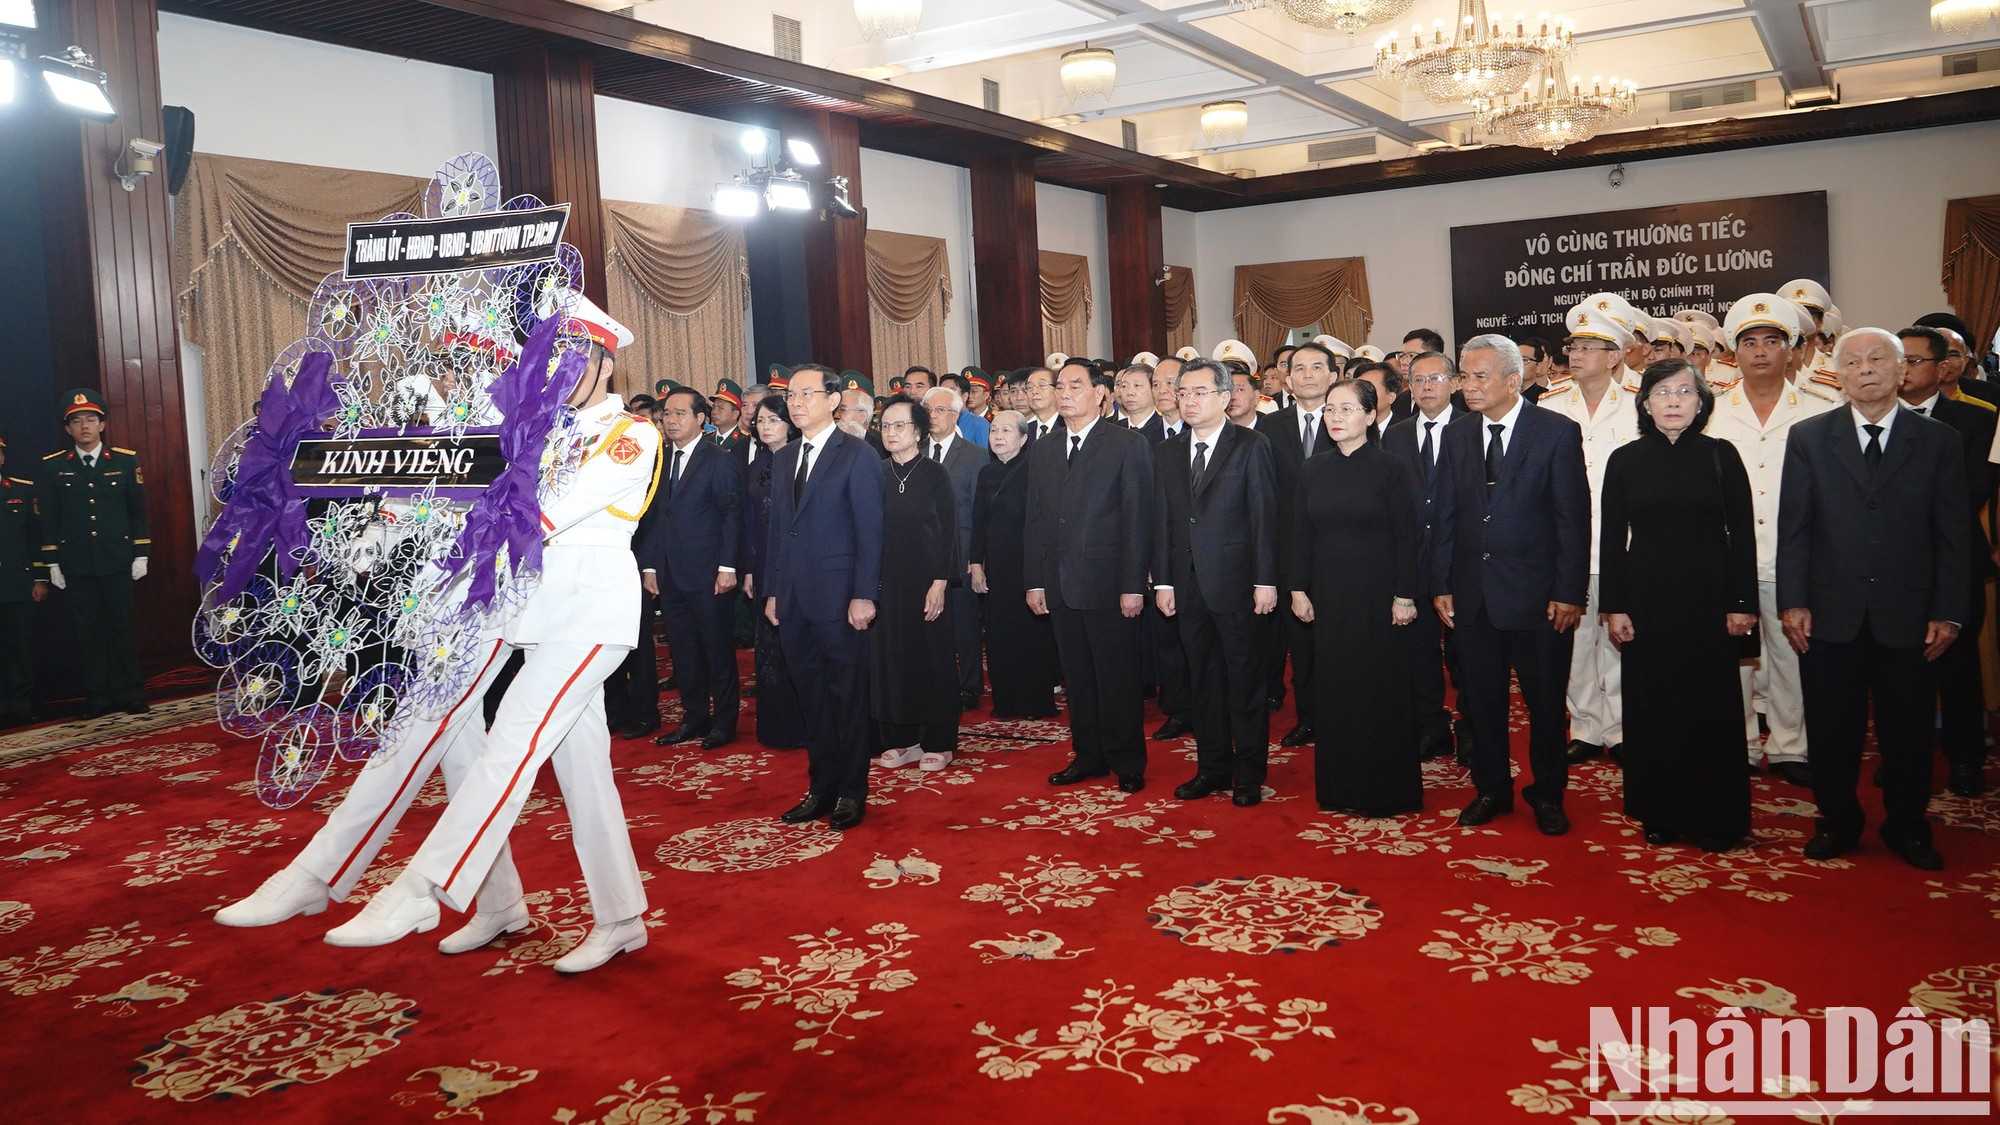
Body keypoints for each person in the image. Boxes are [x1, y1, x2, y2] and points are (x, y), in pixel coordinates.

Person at [317, 293, 659, 973]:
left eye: (570, 360)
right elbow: (486, 490)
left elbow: (536, 513)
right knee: (583, 771)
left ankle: (426, 884)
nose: (555, 373)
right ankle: (596, 914)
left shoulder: (631, 434)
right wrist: (410, 491)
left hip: (590, 616)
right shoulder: (545, 432)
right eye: (548, 359)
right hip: (538, 617)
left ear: (602, 362)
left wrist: (443, 492)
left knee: (513, 739)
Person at [1779, 328, 1969, 872]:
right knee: (1832, 729)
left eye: (1877, 359)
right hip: (1828, 612)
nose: (1865, 369)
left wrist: (1949, 610)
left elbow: (1953, 537)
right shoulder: (1810, 437)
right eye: (1853, 361)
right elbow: (1795, 529)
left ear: (1901, 371)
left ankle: (1908, 827)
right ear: (1838, 376)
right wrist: (1792, 601)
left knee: (1907, 733)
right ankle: (1836, 821)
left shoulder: (1938, 441)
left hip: (1910, 616)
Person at [1432, 334, 1590, 834]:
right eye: (1465, 376)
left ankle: (1547, 794)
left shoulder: (1555, 432)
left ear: (1512, 379)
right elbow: (1447, 514)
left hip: (1539, 597)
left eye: (1481, 377)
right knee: (1482, 700)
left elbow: (1573, 519)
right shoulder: (1457, 435)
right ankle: (1492, 789)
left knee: (1545, 703)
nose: (1469, 386)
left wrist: (1569, 591)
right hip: (1473, 594)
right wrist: (1441, 582)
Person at [1598, 360, 1758, 852]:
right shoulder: (1624, 460)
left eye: (1684, 392)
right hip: (1646, 599)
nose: (1672, 401)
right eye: (1662, 392)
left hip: (1710, 598)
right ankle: (1660, 810)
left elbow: (1743, 535)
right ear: (1645, 403)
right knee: (1654, 707)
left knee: (1711, 707)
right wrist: (1615, 605)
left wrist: (1742, 602)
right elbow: (1610, 539)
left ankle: (1718, 816)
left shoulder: (1721, 455)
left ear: (1701, 401)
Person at [1706, 294, 1841, 786]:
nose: (1759, 351)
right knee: (1733, 658)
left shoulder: (1822, 411)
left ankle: (1790, 747)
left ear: (1792, 350)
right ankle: (1737, 743)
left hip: (1797, 558)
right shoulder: (1712, 413)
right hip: (1729, 559)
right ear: (1733, 352)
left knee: (1791, 654)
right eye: (1748, 342)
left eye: (1771, 341)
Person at [764, 364, 886, 832]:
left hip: (840, 599)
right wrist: (774, 592)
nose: (796, 403)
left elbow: (870, 532)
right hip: (794, 599)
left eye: (806, 394)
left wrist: (863, 595)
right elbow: (779, 533)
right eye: (791, 395)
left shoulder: (856, 455)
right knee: (811, 696)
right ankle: (821, 787)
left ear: (833, 400)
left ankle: (853, 791)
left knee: (846, 696)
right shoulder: (784, 457)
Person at [1025, 359, 1156, 793]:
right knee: (1077, 678)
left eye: (1075, 385)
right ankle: (1088, 755)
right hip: (1060, 584)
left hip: (1108, 583)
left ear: (1101, 393)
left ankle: (1127, 760)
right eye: (1059, 386)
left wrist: (1133, 585)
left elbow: (1139, 520)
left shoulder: (1125, 444)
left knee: (1116, 676)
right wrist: (1035, 579)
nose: (1064, 393)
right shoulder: (1044, 446)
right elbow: (1036, 519)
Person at [1294, 374, 1423, 814]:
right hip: (1329, 595)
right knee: (1336, 691)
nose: (1336, 417)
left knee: (1379, 689)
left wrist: (1405, 594)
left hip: (1380, 595)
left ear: (1371, 415)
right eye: (1330, 409)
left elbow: (1409, 537)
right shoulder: (1312, 469)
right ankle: (1339, 788)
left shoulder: (1391, 468)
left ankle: (1385, 790)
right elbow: (1301, 536)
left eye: (1347, 408)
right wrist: (1298, 588)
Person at [1152, 360, 1279, 807]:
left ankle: (1248, 772)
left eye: (1199, 392)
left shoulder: (1251, 445)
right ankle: (1212, 768)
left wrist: (1266, 579)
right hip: (1186, 586)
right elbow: (1163, 523)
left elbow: (1265, 517)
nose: (1188, 400)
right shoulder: (1167, 452)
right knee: (1200, 680)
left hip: (1238, 583)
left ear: (1225, 398)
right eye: (1183, 392)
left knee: (1244, 680)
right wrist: (1162, 582)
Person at [1543, 303, 1645, 767]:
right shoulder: (1549, 404)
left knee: (1621, 639)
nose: (1578, 354)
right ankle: (1585, 725)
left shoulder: (1641, 402)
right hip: (1566, 545)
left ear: (1615, 355)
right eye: (1573, 346)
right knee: (1576, 639)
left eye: (1590, 347)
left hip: (1622, 542)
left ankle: (1623, 727)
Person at [1897, 326, 1994, 801]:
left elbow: (1975, 487)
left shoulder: (1980, 419)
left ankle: (1966, 760)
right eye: (1900, 359)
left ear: (1942, 369)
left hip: (1955, 559)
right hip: (1890, 565)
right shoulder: (1866, 418)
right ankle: (1903, 759)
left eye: (1915, 361)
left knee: (1957, 668)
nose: (1905, 369)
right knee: (1899, 669)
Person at [640, 387, 743, 750]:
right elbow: (652, 518)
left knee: (716, 650)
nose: (670, 420)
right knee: (682, 651)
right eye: (667, 414)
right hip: (669, 573)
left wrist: (728, 566)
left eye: (680, 413)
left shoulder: (718, 459)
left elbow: (732, 516)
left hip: (708, 572)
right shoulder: (658, 459)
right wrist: (650, 567)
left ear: (701, 419)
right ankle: (695, 717)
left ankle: (725, 721)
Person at [868, 395, 963, 773]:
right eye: (886, 426)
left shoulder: (935, 474)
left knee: (932, 661)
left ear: (919, 432)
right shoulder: (875, 472)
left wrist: (941, 580)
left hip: (927, 582)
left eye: (899, 426)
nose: (891, 433)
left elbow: (948, 532)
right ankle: (902, 739)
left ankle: (940, 741)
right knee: (891, 660)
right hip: (885, 584)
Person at [40, 388, 149, 719]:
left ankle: (131, 694)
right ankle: (98, 698)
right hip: (77, 564)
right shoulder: (53, 467)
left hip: (117, 559)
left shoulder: (126, 461)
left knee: (121, 628)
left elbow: (138, 512)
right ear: (68, 429)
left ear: (102, 424)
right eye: (76, 421)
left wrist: (141, 553)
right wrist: (53, 561)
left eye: (91, 419)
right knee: (87, 633)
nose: (84, 426)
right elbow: (49, 518)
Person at [1382, 351, 1466, 761]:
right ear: (1408, 388)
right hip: (1412, 560)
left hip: (1460, 559)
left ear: (1455, 383)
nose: (1427, 386)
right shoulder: (1395, 435)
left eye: (1436, 378)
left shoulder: (1472, 430)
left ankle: (1471, 728)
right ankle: (1431, 725)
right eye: (1417, 380)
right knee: (1418, 652)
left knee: (1466, 651)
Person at [1256, 341, 1334, 742]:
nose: (1306, 375)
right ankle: (1309, 717)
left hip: (1340, 555)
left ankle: (1346, 716)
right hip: (1290, 556)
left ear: (1333, 376)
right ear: (1287, 378)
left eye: (1316, 367)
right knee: (1300, 645)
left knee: (1341, 642)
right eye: (1298, 368)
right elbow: (1264, 497)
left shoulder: (1350, 420)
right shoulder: (1270, 426)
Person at [970, 411, 1057, 720]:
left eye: (1007, 430)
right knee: (999, 634)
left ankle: (1036, 701)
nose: (998, 435)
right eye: (994, 429)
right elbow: (978, 521)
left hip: (1029, 562)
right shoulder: (986, 473)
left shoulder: (1035, 469)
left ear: (1023, 438)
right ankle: (1005, 701)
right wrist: (975, 564)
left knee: (1031, 634)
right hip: (996, 565)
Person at [740, 394, 806, 749]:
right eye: (760, 421)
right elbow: (749, 521)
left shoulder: (800, 460)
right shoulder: (757, 464)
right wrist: (749, 569)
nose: (764, 427)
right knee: (767, 644)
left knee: (794, 642)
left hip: (794, 561)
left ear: (789, 424)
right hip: (763, 562)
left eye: (772, 420)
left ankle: (804, 722)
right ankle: (777, 725)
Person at [923, 386, 994, 711]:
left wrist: (976, 556)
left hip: (961, 551)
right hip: (922, 552)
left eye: (939, 411)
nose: (933, 417)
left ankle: (969, 685)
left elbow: (981, 512)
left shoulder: (975, 455)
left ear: (955, 415)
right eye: (928, 411)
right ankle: (935, 681)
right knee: (927, 622)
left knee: (964, 624)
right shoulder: (913, 450)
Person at [0, 438, 47, 726]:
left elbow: (36, 539)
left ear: (3, 458)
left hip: (17, 583)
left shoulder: (22, 491)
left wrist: (40, 577)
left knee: (19, 647)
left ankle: (20, 704)